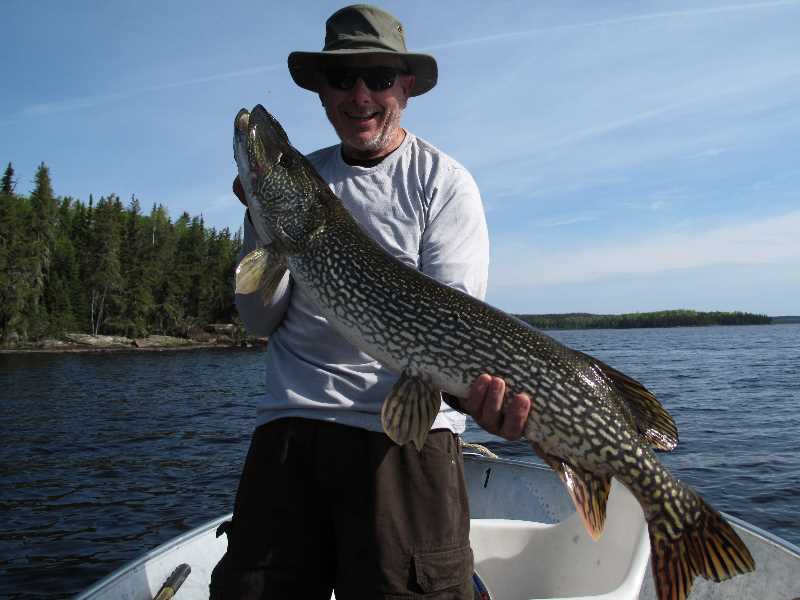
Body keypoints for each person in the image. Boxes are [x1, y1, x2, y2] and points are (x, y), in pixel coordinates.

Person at [211, 5, 532, 599]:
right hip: (291, 427)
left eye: (378, 78)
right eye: (342, 78)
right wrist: (260, 219)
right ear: (322, 92)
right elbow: (259, 320)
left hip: (407, 437)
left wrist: (479, 394)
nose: (360, 95)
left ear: (404, 87)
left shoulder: (442, 182)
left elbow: (452, 331)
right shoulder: (302, 183)